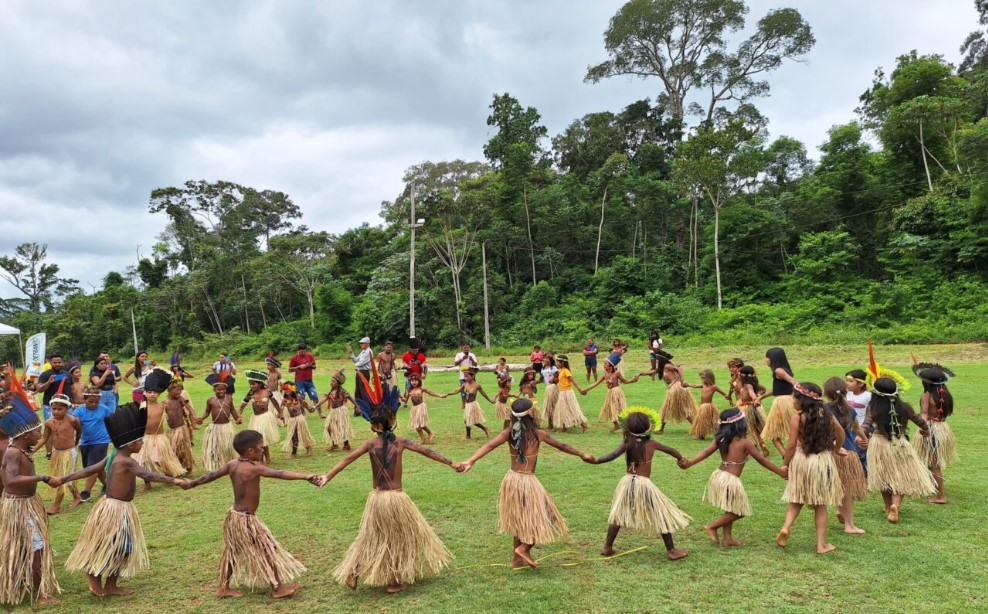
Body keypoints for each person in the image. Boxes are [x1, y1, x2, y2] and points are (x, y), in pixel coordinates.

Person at [319, 368, 458, 594]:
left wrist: (327, 476)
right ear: (392, 419)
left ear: (373, 424)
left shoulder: (370, 444)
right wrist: (452, 463)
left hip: (377, 498)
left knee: (373, 536)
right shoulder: (400, 442)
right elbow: (427, 452)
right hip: (395, 498)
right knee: (395, 537)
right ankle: (393, 581)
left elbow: (346, 460)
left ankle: (354, 571)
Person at [60, 402, 187, 597]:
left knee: (123, 548)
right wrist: (175, 480)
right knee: (108, 545)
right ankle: (93, 577)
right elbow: (149, 475)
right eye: (139, 441)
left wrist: (64, 478)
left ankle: (111, 584)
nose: (142, 444)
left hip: (122, 509)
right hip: (114, 509)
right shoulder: (126, 460)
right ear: (130, 445)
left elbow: (91, 469)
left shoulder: (113, 455)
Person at [458, 398, 594, 569]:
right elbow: (562, 445)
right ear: (531, 414)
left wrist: (471, 461)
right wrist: (582, 454)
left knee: (520, 519)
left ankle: (516, 560)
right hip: (527, 481)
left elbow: (489, 445)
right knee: (547, 515)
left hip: (511, 479)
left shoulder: (508, 433)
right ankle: (524, 548)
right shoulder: (539, 434)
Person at [183, 429, 317, 599]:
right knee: (267, 549)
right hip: (246, 520)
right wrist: (305, 476)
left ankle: (223, 587)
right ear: (251, 451)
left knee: (233, 551)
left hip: (234, 517)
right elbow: (279, 473)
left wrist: (192, 484)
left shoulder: (233, 464)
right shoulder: (254, 468)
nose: (263, 450)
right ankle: (277, 588)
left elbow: (211, 476)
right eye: (261, 447)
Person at [590, 406, 690, 560]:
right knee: (660, 514)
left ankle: (607, 547)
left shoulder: (627, 443)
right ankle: (671, 551)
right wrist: (680, 458)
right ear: (648, 428)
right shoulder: (652, 444)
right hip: (644, 485)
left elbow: (611, 456)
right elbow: (671, 450)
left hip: (627, 482)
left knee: (619, 515)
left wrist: (596, 460)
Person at [678, 408, 786, 547]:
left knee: (730, 507)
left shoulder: (721, 438)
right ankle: (712, 526)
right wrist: (780, 471)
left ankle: (728, 539)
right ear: (741, 424)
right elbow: (762, 460)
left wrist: (690, 463)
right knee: (739, 511)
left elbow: (706, 452)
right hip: (730, 480)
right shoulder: (745, 442)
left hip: (718, 475)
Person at [0, 377, 62, 605]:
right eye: (37, 431)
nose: (39, 434)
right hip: (19, 507)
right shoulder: (14, 453)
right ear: (26, 435)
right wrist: (42, 477)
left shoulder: (20, 448)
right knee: (36, 547)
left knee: (35, 546)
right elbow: (10, 480)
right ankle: (39, 594)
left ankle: (24, 583)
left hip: (27, 503)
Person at [775, 382, 846, 554]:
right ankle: (821, 545)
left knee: (796, 499)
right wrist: (836, 449)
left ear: (803, 400)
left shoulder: (797, 418)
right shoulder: (828, 415)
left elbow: (791, 445)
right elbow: (841, 433)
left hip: (801, 459)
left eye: (795, 397)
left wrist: (785, 463)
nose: (792, 400)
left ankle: (786, 527)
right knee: (820, 505)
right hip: (821, 461)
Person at [823, 377, 868, 535]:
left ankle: (839, 509)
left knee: (836, 484)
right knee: (846, 489)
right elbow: (857, 428)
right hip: (847, 453)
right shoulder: (850, 409)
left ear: (826, 393)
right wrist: (864, 439)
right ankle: (849, 525)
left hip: (828, 453)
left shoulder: (823, 409)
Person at [911, 359, 957, 504]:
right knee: (934, 462)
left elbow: (924, 414)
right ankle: (934, 488)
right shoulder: (945, 396)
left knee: (933, 464)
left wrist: (922, 427)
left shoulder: (926, 396)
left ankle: (941, 496)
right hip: (942, 428)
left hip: (931, 430)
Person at [35, 394, 82, 514]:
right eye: (54, 409)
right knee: (67, 476)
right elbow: (44, 438)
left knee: (62, 478)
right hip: (57, 453)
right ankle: (77, 497)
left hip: (69, 453)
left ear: (67, 408)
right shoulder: (49, 422)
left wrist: (76, 443)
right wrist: (33, 450)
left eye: (60, 409)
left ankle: (56, 505)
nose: (56, 411)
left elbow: (79, 431)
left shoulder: (72, 420)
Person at [71, 387, 116, 502]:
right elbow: (76, 424)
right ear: (84, 399)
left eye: (96, 401)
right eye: (90, 401)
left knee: (93, 466)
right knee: (94, 467)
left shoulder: (104, 409)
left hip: (101, 441)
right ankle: (108, 485)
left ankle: (86, 492)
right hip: (85, 442)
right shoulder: (79, 411)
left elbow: (111, 421)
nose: (93, 404)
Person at [760, 347, 800, 456]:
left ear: (773, 359)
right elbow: (776, 389)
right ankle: (787, 456)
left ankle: (788, 456)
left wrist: (805, 391)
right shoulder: (781, 370)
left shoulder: (778, 370)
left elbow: (793, 382)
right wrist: (760, 398)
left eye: (767, 358)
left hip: (783, 403)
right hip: (786, 400)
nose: (766, 360)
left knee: (773, 434)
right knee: (791, 432)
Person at [584, 354, 639, 431]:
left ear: (610, 366)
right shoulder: (605, 375)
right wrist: (586, 389)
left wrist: (633, 380)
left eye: (605, 364)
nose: (603, 365)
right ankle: (616, 425)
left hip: (617, 392)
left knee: (620, 409)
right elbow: (596, 383)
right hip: (610, 393)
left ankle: (629, 424)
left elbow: (625, 381)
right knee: (611, 409)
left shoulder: (616, 373)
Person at [238, 370, 283, 465]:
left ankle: (268, 458)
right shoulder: (250, 394)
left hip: (265, 417)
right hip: (256, 418)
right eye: (250, 384)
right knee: (257, 440)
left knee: (263, 439)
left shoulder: (267, 392)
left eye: (253, 384)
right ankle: (259, 459)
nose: (251, 386)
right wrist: (239, 415)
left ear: (259, 384)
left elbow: (275, 403)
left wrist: (280, 413)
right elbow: (243, 405)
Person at [199, 381, 242, 472]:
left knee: (228, 446)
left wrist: (237, 418)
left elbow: (233, 410)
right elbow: (207, 412)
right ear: (214, 390)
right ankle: (217, 464)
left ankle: (230, 463)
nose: (221, 391)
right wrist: (202, 419)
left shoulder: (229, 398)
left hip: (227, 427)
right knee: (216, 447)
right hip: (216, 427)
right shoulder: (210, 400)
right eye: (219, 389)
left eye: (223, 389)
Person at [642, 363, 695, 434]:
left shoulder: (667, 365)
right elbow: (653, 372)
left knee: (667, 409)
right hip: (680, 388)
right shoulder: (663, 366)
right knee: (681, 409)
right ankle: (695, 427)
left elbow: (679, 370)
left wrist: (679, 381)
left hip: (676, 389)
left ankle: (661, 429)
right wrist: (640, 374)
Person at [36, 353, 71, 456]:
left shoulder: (67, 374)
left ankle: (65, 448)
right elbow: (39, 389)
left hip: (66, 405)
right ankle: (49, 452)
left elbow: (72, 389)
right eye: (54, 362)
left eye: (59, 362)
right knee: (50, 429)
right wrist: (49, 382)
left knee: (66, 427)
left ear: (62, 362)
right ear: (50, 362)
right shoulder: (45, 374)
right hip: (50, 406)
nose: (57, 364)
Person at [313, 370, 355, 452]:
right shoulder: (331, 391)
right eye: (331, 381)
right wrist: (315, 406)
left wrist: (357, 406)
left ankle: (346, 444)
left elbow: (350, 398)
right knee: (329, 427)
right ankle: (334, 444)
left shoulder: (342, 391)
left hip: (341, 411)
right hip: (333, 411)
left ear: (338, 383)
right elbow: (324, 399)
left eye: (333, 381)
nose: (331, 382)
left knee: (342, 427)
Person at [401, 372, 446, 444]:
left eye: (416, 380)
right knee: (417, 425)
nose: (414, 382)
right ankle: (422, 439)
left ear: (419, 381)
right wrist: (399, 397)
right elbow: (405, 400)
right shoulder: (409, 390)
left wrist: (440, 395)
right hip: (414, 409)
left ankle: (430, 433)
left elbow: (431, 393)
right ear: (410, 382)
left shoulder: (421, 388)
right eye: (412, 381)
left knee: (420, 424)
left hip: (421, 407)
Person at [449, 368, 493, 439]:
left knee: (467, 420)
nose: (465, 378)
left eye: (467, 376)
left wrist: (490, 400)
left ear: (472, 376)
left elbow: (483, 394)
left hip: (473, 405)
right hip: (467, 405)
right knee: (470, 420)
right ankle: (484, 429)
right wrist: (448, 394)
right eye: (464, 377)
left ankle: (469, 435)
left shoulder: (477, 385)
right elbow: (457, 391)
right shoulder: (464, 385)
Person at [685, 370, 729, 440]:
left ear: (709, 378)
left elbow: (724, 393)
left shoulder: (714, 387)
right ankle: (701, 434)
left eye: (703, 378)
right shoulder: (703, 385)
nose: (702, 379)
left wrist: (727, 396)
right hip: (702, 407)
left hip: (708, 406)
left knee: (713, 421)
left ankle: (719, 434)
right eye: (701, 378)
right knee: (701, 421)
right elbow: (695, 385)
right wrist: (688, 385)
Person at [164, 381, 196, 473]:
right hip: (172, 431)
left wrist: (194, 416)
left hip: (182, 429)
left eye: (180, 391)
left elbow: (189, 407)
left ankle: (188, 467)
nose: (179, 393)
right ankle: (175, 468)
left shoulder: (180, 399)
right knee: (174, 450)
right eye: (177, 390)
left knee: (185, 450)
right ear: (170, 390)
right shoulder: (165, 403)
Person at [737, 366, 770, 455]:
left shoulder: (748, 385)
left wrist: (756, 398)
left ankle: (755, 448)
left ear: (743, 375)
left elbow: (752, 394)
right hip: (747, 407)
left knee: (750, 429)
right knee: (755, 429)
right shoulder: (748, 384)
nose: (738, 375)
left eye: (739, 373)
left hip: (748, 409)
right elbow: (762, 388)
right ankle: (762, 445)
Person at [553, 355, 590, 432]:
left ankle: (585, 425)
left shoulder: (566, 371)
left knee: (573, 409)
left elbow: (573, 380)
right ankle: (564, 427)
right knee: (562, 410)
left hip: (568, 393)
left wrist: (580, 389)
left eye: (557, 362)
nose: (556, 364)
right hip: (562, 393)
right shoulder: (562, 371)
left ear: (562, 363)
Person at [281, 383, 316, 459]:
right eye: (285, 389)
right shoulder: (284, 400)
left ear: (292, 389)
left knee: (303, 434)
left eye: (288, 389)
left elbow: (304, 404)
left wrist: (309, 409)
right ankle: (294, 453)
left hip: (300, 419)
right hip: (292, 419)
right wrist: (281, 414)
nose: (287, 391)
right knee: (294, 436)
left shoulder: (298, 397)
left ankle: (308, 447)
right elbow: (282, 409)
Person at [453, 343, 479, 411]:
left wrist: (472, 360)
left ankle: (473, 403)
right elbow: (455, 364)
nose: (466, 349)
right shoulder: (459, 355)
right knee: (463, 391)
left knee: (473, 390)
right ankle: (463, 404)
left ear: (469, 348)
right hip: (462, 376)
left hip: (471, 376)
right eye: (465, 347)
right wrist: (462, 359)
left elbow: (475, 364)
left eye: (467, 347)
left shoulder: (472, 355)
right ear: (462, 348)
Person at [348, 338, 373, 403]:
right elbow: (356, 360)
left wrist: (355, 366)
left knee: (363, 391)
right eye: (360, 343)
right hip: (360, 372)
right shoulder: (363, 351)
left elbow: (361, 363)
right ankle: (358, 409)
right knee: (358, 391)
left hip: (364, 372)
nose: (360, 344)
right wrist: (351, 354)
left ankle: (365, 408)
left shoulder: (368, 352)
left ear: (367, 344)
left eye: (362, 343)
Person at [538, 354, 559, 429]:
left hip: (554, 388)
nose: (545, 360)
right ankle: (550, 425)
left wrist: (554, 379)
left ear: (551, 360)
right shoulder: (542, 369)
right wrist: (534, 383)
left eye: (547, 358)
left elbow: (558, 378)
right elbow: (541, 379)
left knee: (554, 405)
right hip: (548, 389)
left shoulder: (554, 368)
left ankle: (560, 423)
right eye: (544, 358)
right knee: (549, 407)